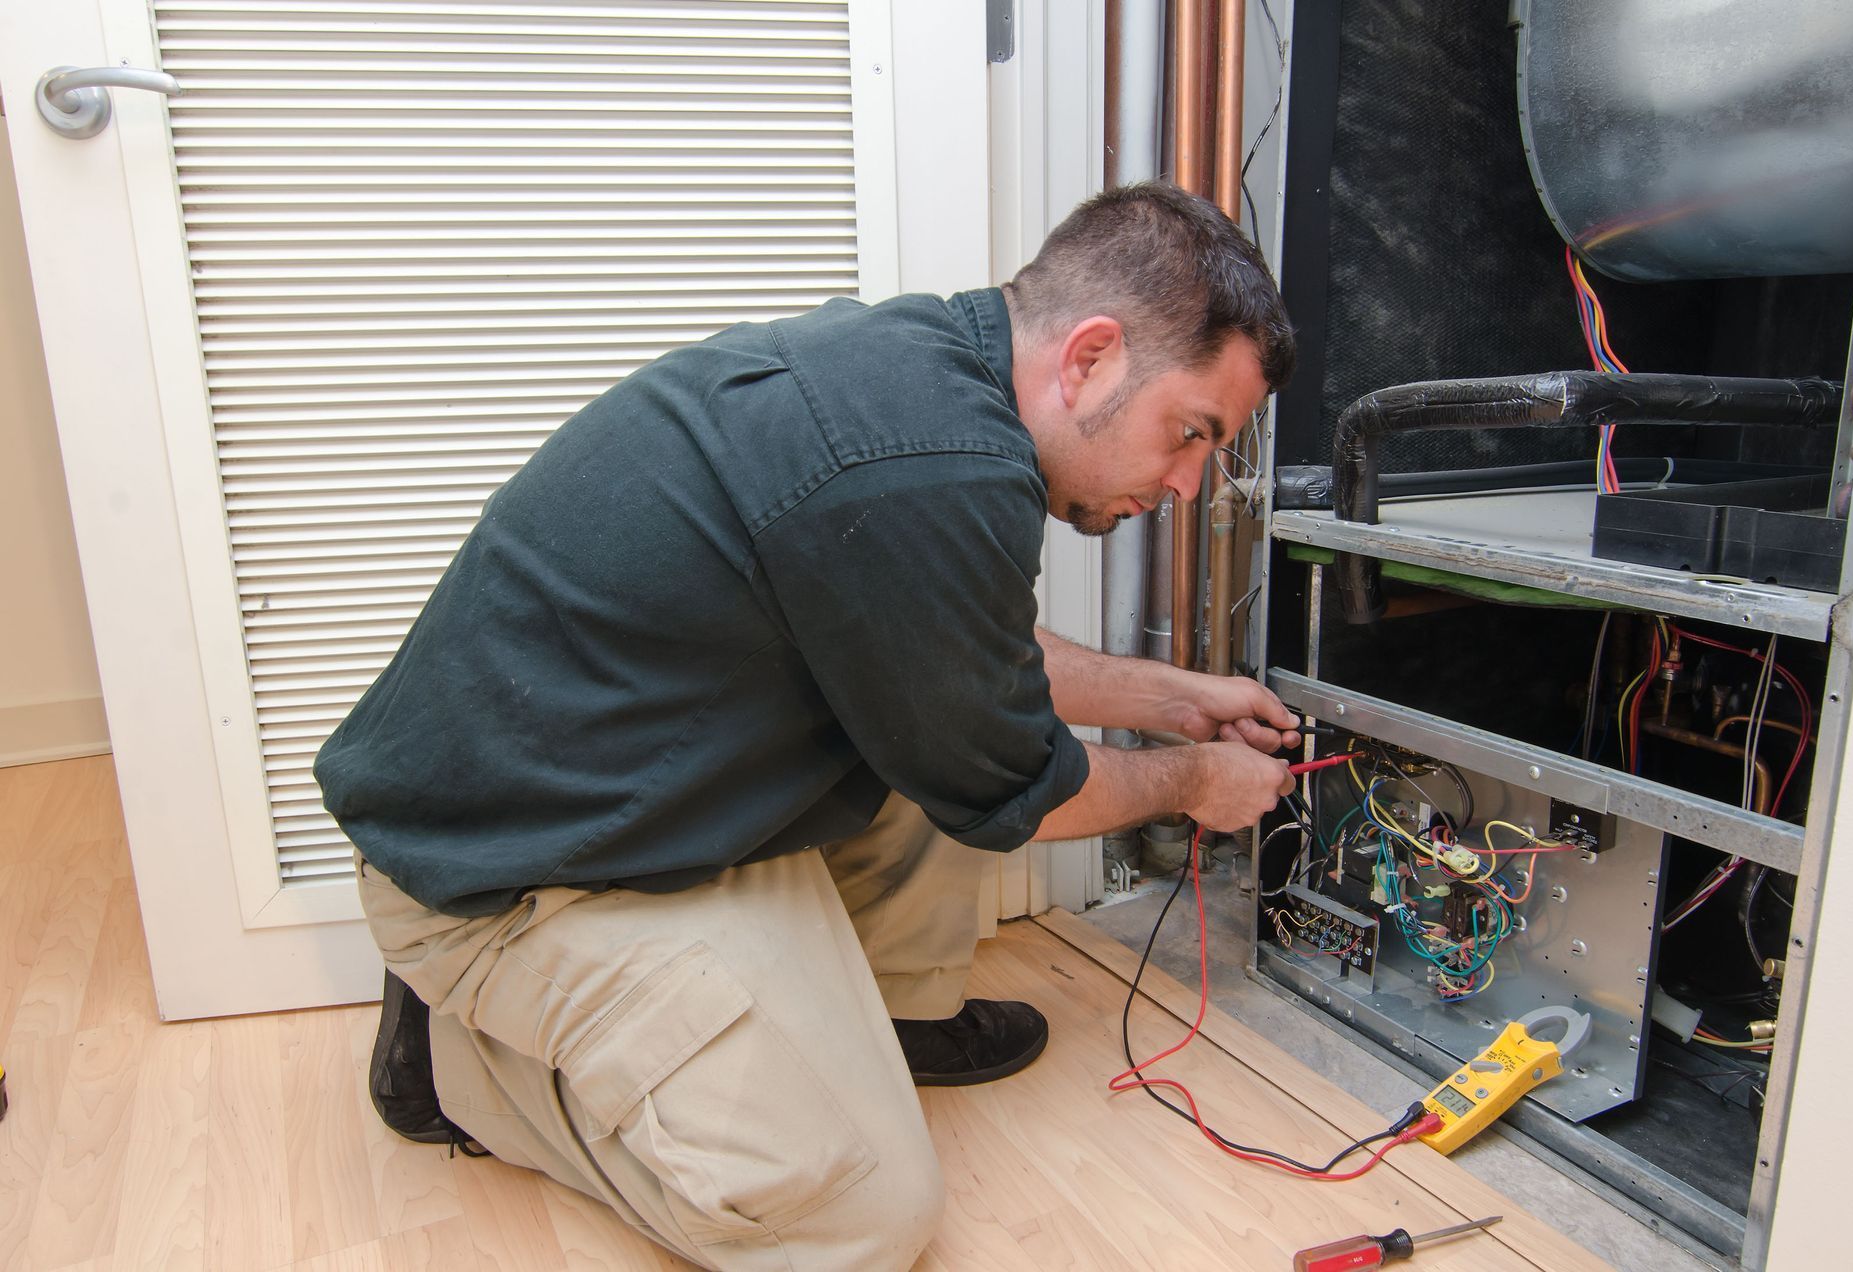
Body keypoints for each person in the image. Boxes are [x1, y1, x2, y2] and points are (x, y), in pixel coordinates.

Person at [315, 181, 1301, 1271]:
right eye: (1191, 433)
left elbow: (957, 647)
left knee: (939, 725)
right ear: (1092, 358)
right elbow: (1033, 788)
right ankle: (461, 1067)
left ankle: (887, 1018)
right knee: (857, 1217)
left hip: (592, 788)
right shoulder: (938, 471)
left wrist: (1171, 699)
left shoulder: (926, 371)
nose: (1187, 482)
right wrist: (1193, 781)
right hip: (504, 876)